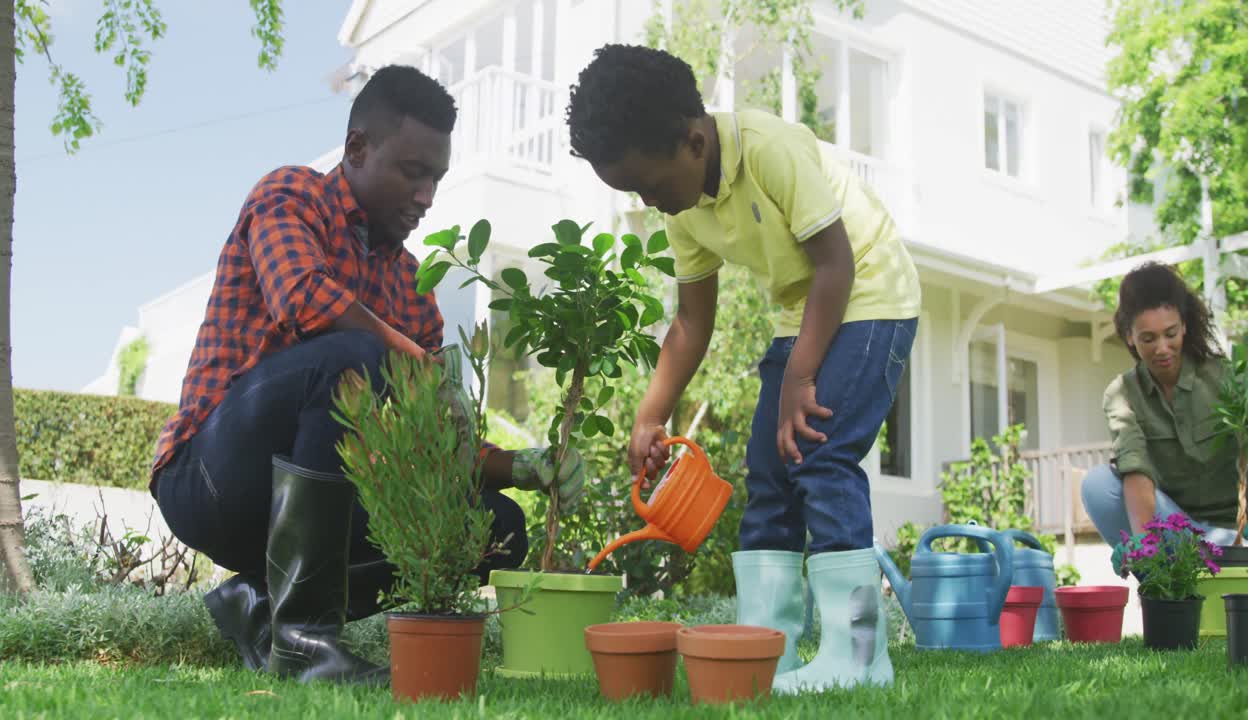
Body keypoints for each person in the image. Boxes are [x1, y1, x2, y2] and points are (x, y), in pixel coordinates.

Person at [150, 65, 585, 685]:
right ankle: (304, 645)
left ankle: (262, 605)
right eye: (413, 172)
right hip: (213, 483)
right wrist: (417, 363)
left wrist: (522, 468)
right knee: (355, 354)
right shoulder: (290, 195)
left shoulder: (412, 288)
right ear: (357, 148)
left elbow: (437, 444)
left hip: (306, 515)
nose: (428, 195)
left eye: (436, 176)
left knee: (494, 526)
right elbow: (304, 301)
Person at [564, 44, 920, 693]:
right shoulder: (681, 207)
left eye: (651, 185)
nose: (652, 202)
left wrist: (800, 380)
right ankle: (765, 650)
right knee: (767, 471)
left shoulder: (769, 148)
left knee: (820, 450)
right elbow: (691, 323)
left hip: (870, 294)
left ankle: (860, 653)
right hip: (802, 310)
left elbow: (836, 264)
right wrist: (652, 413)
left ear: (695, 141)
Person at [1082, 261, 1242, 548]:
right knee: (1097, 485)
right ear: (1130, 337)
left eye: (1170, 334)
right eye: (1148, 338)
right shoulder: (1122, 394)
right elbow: (1135, 471)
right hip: (1177, 531)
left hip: (1236, 532)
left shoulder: (1226, 378)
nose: (1162, 348)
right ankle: (1170, 572)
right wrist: (1146, 547)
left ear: (1184, 326)